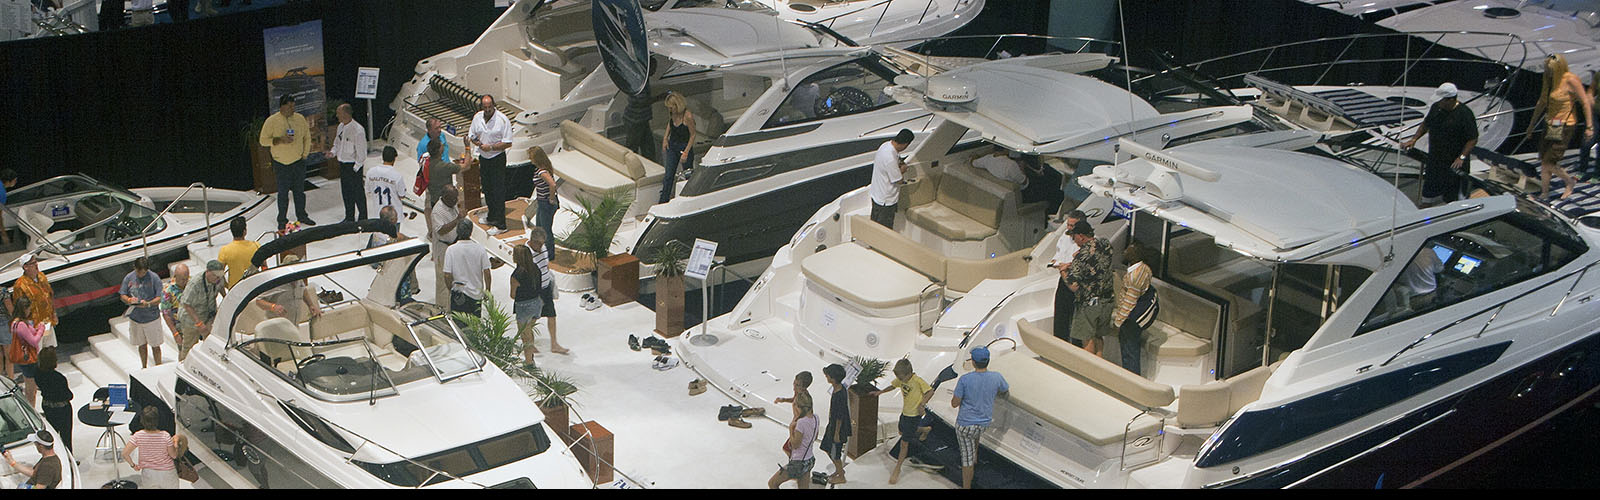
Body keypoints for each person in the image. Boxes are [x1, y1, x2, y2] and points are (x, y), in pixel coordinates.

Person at [1526, 54, 1594, 200]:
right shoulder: (1549, 79)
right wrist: (1531, 125)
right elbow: (1541, 102)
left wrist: (1589, 126)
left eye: (1551, 70)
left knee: (1549, 161)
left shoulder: (1571, 80)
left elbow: (1585, 102)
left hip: (1565, 125)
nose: (1548, 72)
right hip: (1551, 124)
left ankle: (1569, 182)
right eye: (1547, 69)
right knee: (1544, 160)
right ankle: (1545, 192)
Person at [1400, 83, 1479, 205]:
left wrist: (1461, 157)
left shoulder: (1465, 114)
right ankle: (1425, 208)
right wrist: (1414, 139)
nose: (1439, 103)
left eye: (1442, 100)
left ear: (1451, 100)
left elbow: (1472, 139)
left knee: (1452, 197)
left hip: (1453, 163)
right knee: (1428, 192)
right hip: (1435, 159)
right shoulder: (1436, 107)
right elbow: (1426, 124)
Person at [951, 346, 1008, 489]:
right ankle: (975, 457)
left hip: (965, 425)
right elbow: (1004, 389)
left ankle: (966, 486)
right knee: (974, 437)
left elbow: (954, 403)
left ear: (973, 362)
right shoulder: (997, 377)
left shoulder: (965, 380)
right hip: (984, 425)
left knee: (966, 460)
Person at [870, 359, 932, 485]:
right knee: (901, 431)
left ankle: (897, 468)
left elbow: (930, 391)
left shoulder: (917, 381)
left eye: (901, 377)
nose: (899, 380)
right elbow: (893, 385)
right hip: (905, 413)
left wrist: (922, 404)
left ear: (909, 374)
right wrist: (881, 392)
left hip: (913, 416)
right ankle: (925, 429)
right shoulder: (901, 380)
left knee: (904, 443)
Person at [259, 95, 316, 229]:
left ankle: (302, 215)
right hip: (281, 164)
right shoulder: (272, 121)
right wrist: (279, 140)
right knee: (283, 193)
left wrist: (305, 155)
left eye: (293, 106)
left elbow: (307, 137)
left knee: (299, 192)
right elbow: (263, 141)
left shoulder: (299, 118)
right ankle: (282, 220)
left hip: (298, 162)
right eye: (290, 106)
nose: (292, 108)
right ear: (282, 106)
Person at [1063, 221, 1113, 356]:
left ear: (1080, 236)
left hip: (1089, 304)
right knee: (1098, 335)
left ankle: (1089, 366)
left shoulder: (1081, 257)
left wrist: (1063, 271)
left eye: (1074, 237)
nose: (1074, 240)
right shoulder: (1105, 244)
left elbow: (1073, 286)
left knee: (1087, 338)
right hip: (1107, 300)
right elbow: (1096, 261)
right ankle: (1099, 362)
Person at [470, 95, 514, 235]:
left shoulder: (502, 120)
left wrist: (491, 147)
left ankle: (501, 225)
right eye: (485, 107)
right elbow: (472, 136)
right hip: (484, 158)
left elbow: (508, 142)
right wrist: (478, 143)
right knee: (487, 189)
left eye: (490, 107)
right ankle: (492, 217)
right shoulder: (477, 117)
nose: (488, 109)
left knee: (498, 191)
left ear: (494, 105)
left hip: (497, 158)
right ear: (481, 107)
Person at [1111, 241, 1156, 376]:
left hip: (1132, 318)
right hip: (1132, 315)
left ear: (1135, 255)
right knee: (1129, 348)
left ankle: (1131, 377)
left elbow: (1129, 302)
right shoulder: (1144, 268)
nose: (1124, 252)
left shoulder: (1135, 277)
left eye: (1128, 251)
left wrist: (1118, 322)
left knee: (1129, 350)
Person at [120, 257, 166, 368]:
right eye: (138, 272)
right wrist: (129, 300)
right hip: (136, 318)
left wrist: (148, 303)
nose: (141, 275)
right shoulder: (129, 278)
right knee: (141, 345)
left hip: (151, 318)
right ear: (135, 268)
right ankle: (144, 366)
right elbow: (122, 294)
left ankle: (159, 366)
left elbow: (160, 297)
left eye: (143, 273)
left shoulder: (154, 278)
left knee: (155, 345)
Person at [122, 406, 183, 489]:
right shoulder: (165, 436)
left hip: (148, 474)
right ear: (157, 420)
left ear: (142, 420)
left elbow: (125, 454)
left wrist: (133, 465)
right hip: (167, 472)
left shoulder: (138, 436)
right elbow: (174, 455)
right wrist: (176, 446)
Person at [768, 392, 817, 489]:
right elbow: (814, 437)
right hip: (809, 459)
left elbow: (795, 445)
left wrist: (791, 429)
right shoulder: (816, 418)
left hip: (798, 463)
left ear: (798, 407)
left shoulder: (800, 423)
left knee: (772, 484)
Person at [177, 260, 226, 361]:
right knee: (189, 346)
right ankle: (183, 363)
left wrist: (225, 297)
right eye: (215, 275)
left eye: (219, 276)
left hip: (208, 314)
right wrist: (199, 323)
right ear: (207, 272)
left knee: (211, 342)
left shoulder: (219, 278)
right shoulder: (195, 283)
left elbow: (221, 288)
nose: (217, 278)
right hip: (191, 318)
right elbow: (187, 304)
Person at [1049, 210, 1085, 343]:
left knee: (1075, 319)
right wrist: (1056, 261)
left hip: (1077, 282)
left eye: (1072, 225)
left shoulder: (1086, 242)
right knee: (1060, 315)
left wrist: (1067, 266)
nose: (1069, 228)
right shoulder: (1065, 236)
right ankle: (1059, 344)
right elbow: (1059, 253)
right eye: (1068, 224)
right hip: (1063, 279)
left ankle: (1076, 347)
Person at [253, 255, 322, 322]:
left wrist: (311, 305)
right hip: (276, 326)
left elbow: (303, 289)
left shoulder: (299, 280)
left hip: (293, 324)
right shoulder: (276, 283)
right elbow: (259, 301)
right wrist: (273, 307)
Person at [443, 222, 491, 318]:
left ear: (457, 231)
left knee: (459, 323)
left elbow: (447, 274)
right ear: (471, 231)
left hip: (459, 293)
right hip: (476, 294)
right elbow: (487, 272)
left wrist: (451, 288)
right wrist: (487, 290)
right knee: (475, 323)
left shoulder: (451, 250)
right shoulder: (480, 249)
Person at [331, 103, 369, 223]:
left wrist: (356, 167)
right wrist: (332, 153)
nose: (337, 116)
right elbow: (337, 143)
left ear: (345, 114)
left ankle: (363, 217)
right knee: (346, 192)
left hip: (353, 166)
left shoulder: (358, 130)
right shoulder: (341, 127)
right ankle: (349, 217)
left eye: (339, 113)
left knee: (358, 193)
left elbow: (362, 152)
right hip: (343, 164)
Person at [869, 129, 914, 228]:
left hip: (876, 195)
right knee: (884, 230)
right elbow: (898, 180)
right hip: (886, 201)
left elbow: (896, 159)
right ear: (905, 144)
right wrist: (902, 170)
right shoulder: (890, 158)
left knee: (875, 226)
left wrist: (900, 164)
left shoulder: (885, 145)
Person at [430, 185, 466, 305]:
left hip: (454, 244)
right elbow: (440, 230)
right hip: (443, 247)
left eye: (456, 198)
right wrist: (457, 220)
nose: (456, 201)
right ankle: (442, 308)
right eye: (453, 199)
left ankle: (454, 306)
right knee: (443, 280)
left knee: (455, 277)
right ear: (445, 197)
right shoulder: (437, 211)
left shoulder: (452, 203)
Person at [659, 92, 697, 203]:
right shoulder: (672, 114)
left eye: (671, 108)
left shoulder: (687, 116)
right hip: (673, 145)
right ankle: (663, 200)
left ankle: (689, 199)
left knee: (687, 175)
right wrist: (665, 138)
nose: (670, 110)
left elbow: (693, 135)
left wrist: (686, 152)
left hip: (684, 146)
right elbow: (670, 124)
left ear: (677, 105)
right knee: (669, 175)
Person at [33, 348, 71, 454]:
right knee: (66, 436)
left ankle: (55, 455)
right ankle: (69, 458)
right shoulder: (59, 378)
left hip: (48, 406)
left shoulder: (37, 373)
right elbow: (68, 395)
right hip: (62, 409)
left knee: (53, 434)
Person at [819, 364, 851, 485]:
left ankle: (841, 476)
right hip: (832, 425)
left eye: (827, 376)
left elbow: (839, 416)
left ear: (832, 378)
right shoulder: (840, 389)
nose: (826, 377)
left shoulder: (839, 394)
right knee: (826, 447)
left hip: (838, 428)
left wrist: (837, 433)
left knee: (835, 453)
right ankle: (839, 469)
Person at [10, 296, 44, 406]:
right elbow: (33, 341)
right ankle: (32, 411)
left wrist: (35, 330)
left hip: (24, 360)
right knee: (31, 390)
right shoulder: (21, 325)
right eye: (29, 308)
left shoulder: (14, 323)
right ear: (24, 309)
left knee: (29, 387)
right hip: (29, 360)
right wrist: (41, 329)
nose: (30, 311)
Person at [528, 147, 560, 260]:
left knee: (545, 230)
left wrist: (551, 198)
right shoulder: (543, 169)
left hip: (546, 203)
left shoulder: (542, 172)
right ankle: (541, 249)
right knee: (539, 228)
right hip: (542, 203)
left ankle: (550, 254)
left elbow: (552, 184)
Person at [12, 254, 57, 326]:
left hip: (49, 321)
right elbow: (19, 308)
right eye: (32, 263)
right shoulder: (20, 285)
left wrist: (54, 313)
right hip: (35, 324)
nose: (36, 265)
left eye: (36, 262)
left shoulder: (42, 276)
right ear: (25, 267)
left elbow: (50, 295)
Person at [216, 217, 260, 289]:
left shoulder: (225, 250)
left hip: (235, 288)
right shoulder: (256, 246)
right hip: (255, 287)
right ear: (244, 231)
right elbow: (264, 266)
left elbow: (218, 274)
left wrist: (227, 286)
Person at [366, 146, 406, 219]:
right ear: (394, 159)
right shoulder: (397, 176)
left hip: (378, 214)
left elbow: (368, 190)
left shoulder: (370, 172)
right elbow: (402, 195)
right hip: (394, 215)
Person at [159, 263, 190, 347]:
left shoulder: (191, 283)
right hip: (180, 325)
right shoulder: (168, 291)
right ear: (175, 276)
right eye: (182, 279)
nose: (185, 281)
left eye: (186, 278)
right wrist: (175, 333)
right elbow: (166, 314)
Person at [0, 168, 18, 246]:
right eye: (15, 180)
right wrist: (4, 234)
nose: (16, 182)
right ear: (8, 181)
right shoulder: (2, 194)